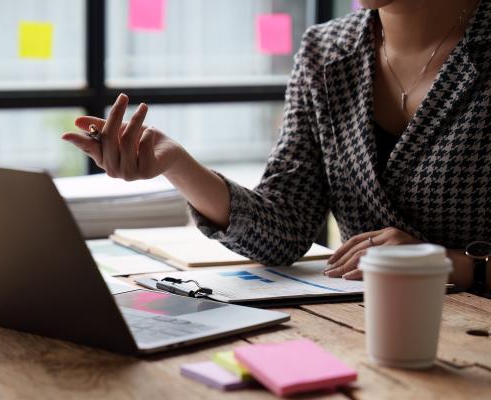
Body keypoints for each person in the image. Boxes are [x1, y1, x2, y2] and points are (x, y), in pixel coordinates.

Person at [62, 0, 491, 294]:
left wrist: (454, 264)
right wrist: (176, 164)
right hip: (363, 332)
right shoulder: (326, 51)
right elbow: (285, 229)